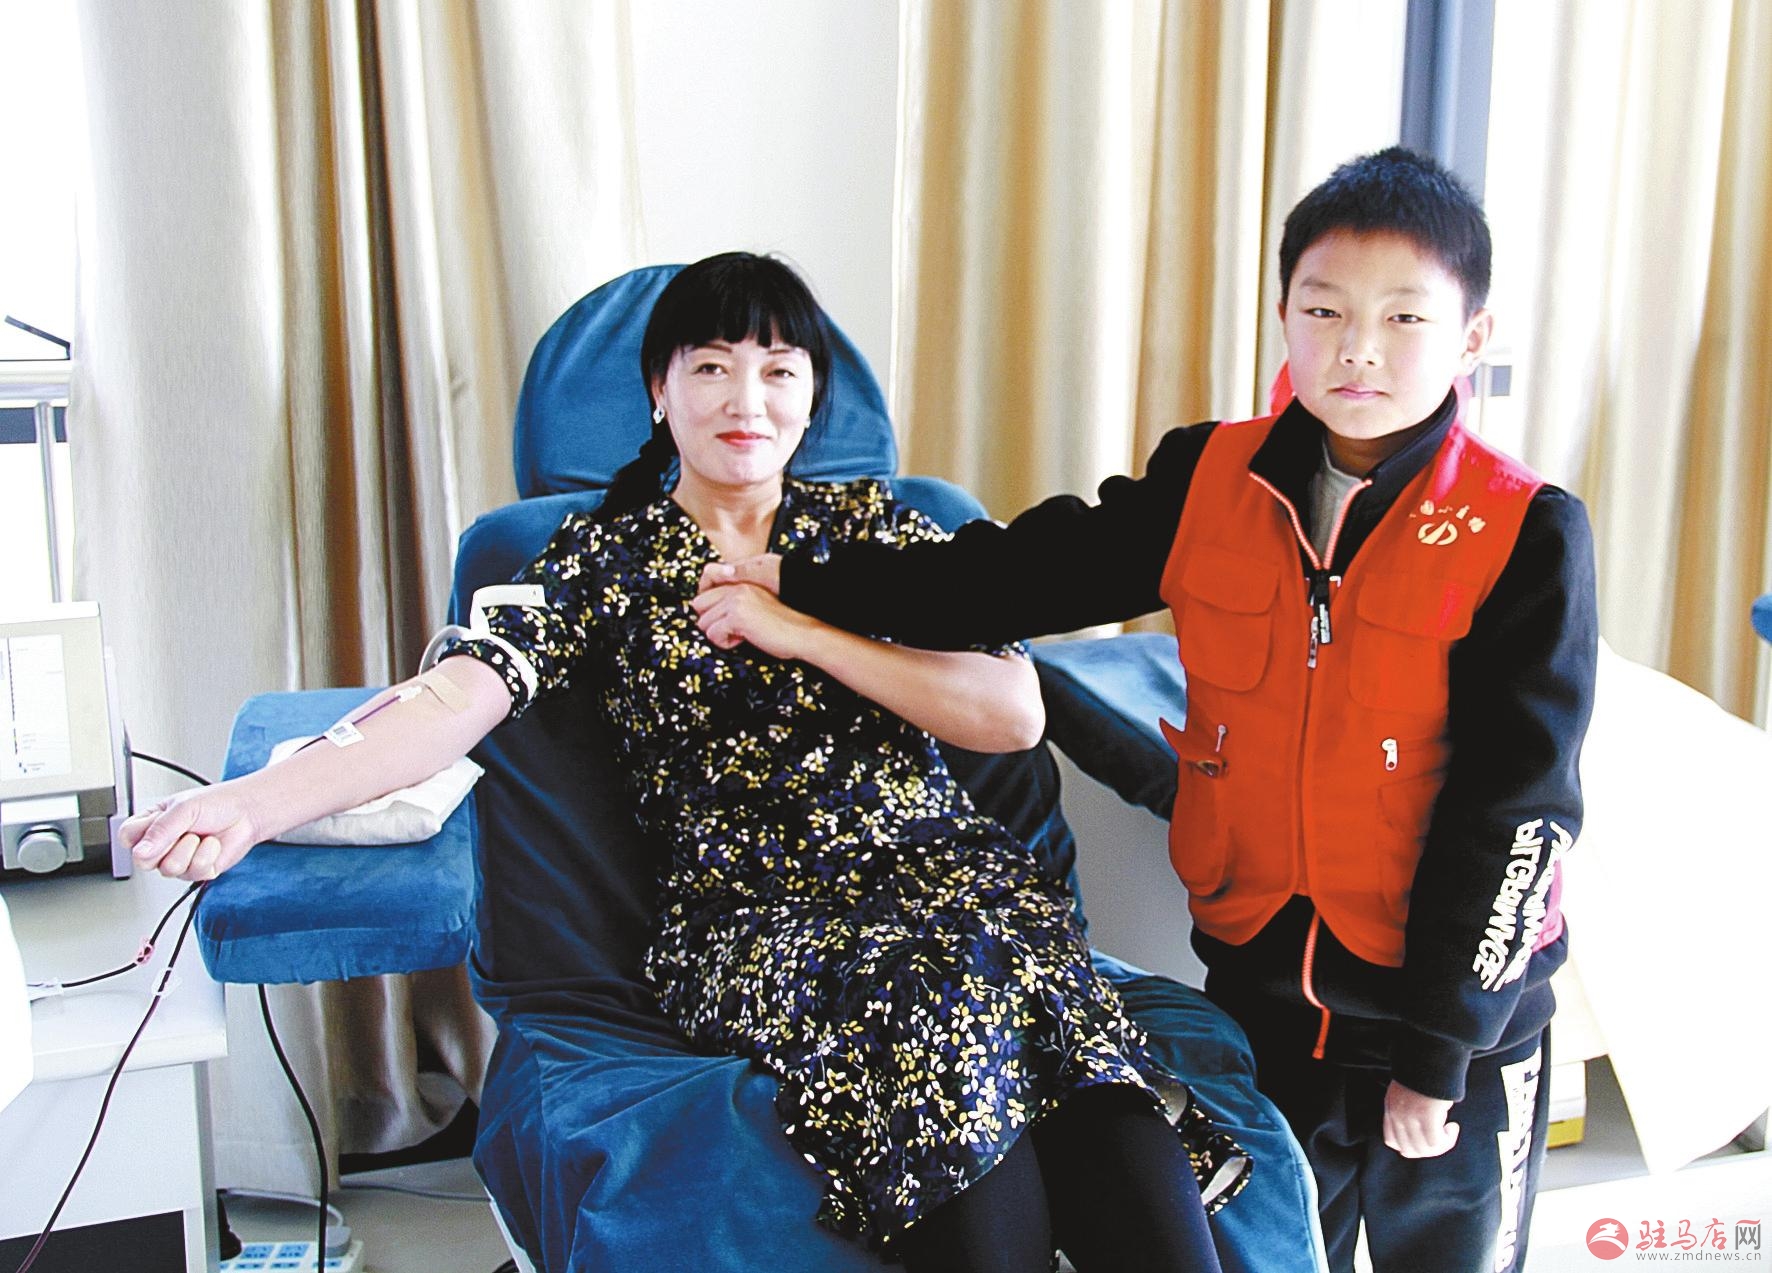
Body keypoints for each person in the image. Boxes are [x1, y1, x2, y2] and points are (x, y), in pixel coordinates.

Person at [122, 252, 1246, 1272]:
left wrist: (801, 628)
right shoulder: (597, 557)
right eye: (710, 367)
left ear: (812, 398)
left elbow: (1008, 712)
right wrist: (253, 803)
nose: (745, 399)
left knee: (1092, 1079)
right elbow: (452, 698)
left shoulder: (884, 535)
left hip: (955, 887)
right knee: (941, 1012)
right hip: (764, 915)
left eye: (777, 370)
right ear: (659, 392)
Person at [701, 152, 1599, 1273]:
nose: (1356, 349)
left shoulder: (1525, 532)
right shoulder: (1209, 477)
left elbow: (1517, 812)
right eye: (1323, 310)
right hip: (1265, 994)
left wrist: (1439, 1051)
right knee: (1275, 1253)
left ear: (1471, 337)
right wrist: (804, 583)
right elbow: (1008, 578)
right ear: (1283, 314)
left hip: (1451, 1020)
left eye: (1403, 317)